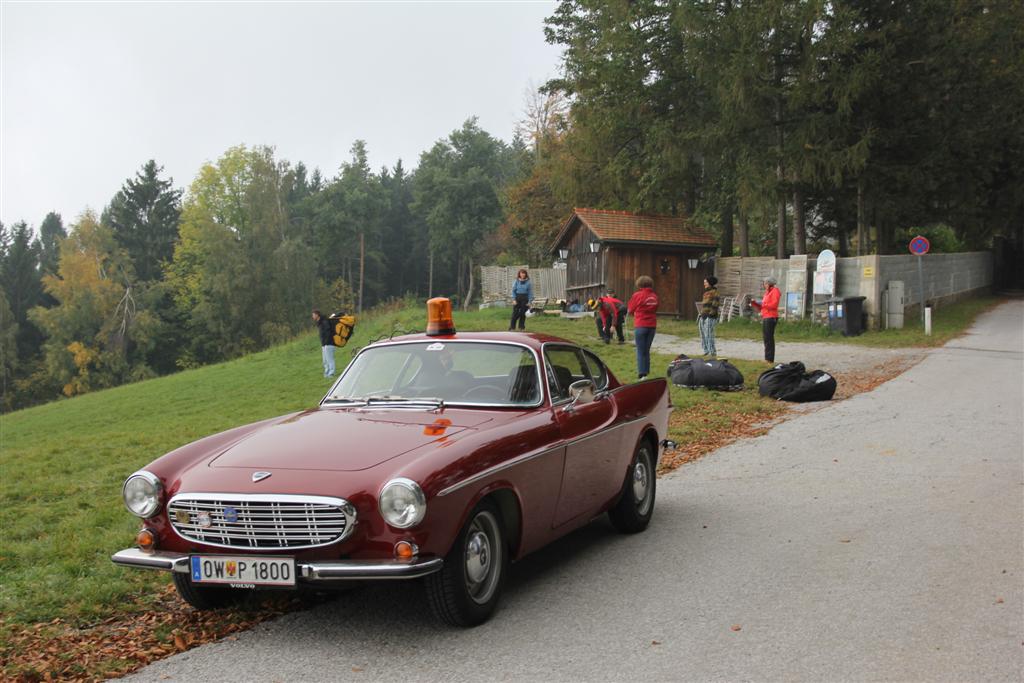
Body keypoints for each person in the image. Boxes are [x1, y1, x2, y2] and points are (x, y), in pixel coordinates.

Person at [627, 275, 659, 379]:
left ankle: (642, 374)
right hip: (652, 325)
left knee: (640, 350)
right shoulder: (654, 296)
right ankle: (647, 371)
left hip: (640, 324)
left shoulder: (637, 295)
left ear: (639, 284)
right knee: (646, 350)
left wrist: (635, 313)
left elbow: (630, 309)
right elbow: (656, 308)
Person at [750, 276, 781, 362]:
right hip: (766, 316)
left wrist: (762, 304)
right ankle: (767, 358)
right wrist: (755, 304)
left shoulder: (775, 291)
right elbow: (763, 306)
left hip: (771, 317)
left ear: (770, 283)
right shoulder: (767, 292)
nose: (764, 285)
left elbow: (773, 305)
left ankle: (769, 359)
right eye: (764, 283)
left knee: (769, 339)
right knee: (766, 338)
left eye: (765, 283)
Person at [698, 276, 721, 357]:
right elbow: (704, 305)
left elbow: (715, 304)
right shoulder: (705, 293)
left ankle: (712, 352)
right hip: (703, 316)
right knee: (703, 334)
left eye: (705, 282)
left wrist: (710, 314)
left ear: (710, 283)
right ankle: (706, 350)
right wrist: (701, 314)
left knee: (709, 334)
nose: (704, 284)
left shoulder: (715, 292)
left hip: (710, 317)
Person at [312, 309, 336, 377]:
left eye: (313, 315)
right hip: (324, 344)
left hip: (329, 343)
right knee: (325, 360)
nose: (313, 317)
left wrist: (326, 341)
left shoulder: (324, 321)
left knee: (330, 359)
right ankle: (326, 373)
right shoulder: (320, 322)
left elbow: (328, 332)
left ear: (317, 315)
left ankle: (331, 373)